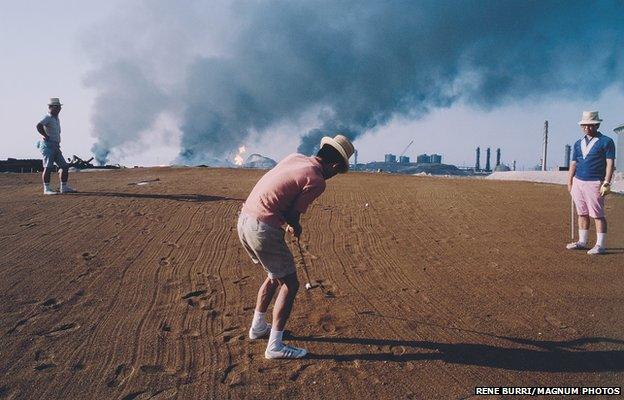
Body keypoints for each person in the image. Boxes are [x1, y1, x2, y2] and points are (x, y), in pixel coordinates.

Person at [237, 134, 354, 359]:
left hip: (244, 220)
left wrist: (287, 222)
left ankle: (258, 327)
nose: (334, 176)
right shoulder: (318, 180)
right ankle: (275, 346)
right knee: (290, 284)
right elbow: (292, 214)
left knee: (273, 275)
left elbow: (279, 195)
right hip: (263, 228)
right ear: (336, 165)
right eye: (337, 172)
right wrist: (294, 225)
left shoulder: (295, 157)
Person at [566, 111, 615, 255]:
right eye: (584, 125)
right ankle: (582, 241)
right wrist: (569, 181)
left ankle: (600, 245)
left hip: (595, 182)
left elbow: (610, 163)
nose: (587, 128)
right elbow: (573, 163)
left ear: (597, 125)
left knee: (598, 214)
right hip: (578, 182)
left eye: (590, 125)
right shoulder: (577, 143)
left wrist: (606, 182)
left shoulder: (607, 141)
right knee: (582, 213)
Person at [36, 98, 76, 195]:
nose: (59, 109)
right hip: (48, 145)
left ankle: (64, 187)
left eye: (59, 107)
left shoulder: (56, 118)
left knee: (64, 166)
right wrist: (45, 135)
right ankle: (47, 189)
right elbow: (38, 125)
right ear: (51, 107)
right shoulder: (48, 117)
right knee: (48, 167)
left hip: (55, 145)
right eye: (57, 107)